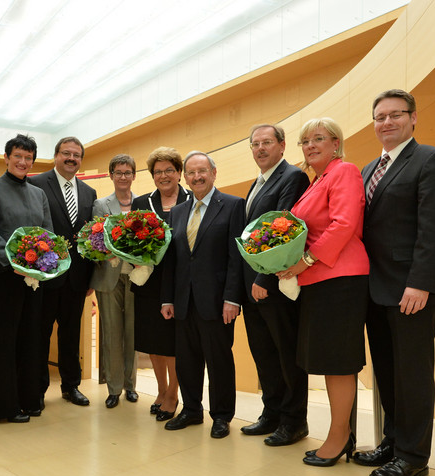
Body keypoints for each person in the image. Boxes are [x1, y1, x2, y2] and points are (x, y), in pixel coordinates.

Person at [355, 89, 435, 476]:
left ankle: (413, 456)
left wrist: (420, 284)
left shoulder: (432, 160)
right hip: (376, 290)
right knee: (387, 372)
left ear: (414, 118)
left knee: (412, 374)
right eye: (380, 117)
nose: (387, 122)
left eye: (396, 115)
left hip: (411, 292)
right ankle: (392, 442)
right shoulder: (368, 168)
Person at [277, 118, 369, 466]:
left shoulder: (344, 171)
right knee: (330, 362)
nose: (311, 145)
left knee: (339, 364)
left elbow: (344, 223)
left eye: (318, 138)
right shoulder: (317, 181)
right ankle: (338, 432)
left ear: (335, 143)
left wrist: (305, 259)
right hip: (318, 279)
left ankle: (339, 436)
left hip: (340, 277)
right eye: (305, 140)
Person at [161, 151, 245, 438]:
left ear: (213, 173)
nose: (197, 177)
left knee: (219, 360)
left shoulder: (233, 206)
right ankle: (192, 410)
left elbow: (237, 257)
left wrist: (232, 298)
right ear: (186, 177)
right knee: (187, 360)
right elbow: (172, 259)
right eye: (192, 173)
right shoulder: (179, 211)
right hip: (184, 300)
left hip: (218, 301)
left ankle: (221, 416)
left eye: (202, 171)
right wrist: (167, 298)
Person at [240, 124, 311, 446]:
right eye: (255, 144)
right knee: (263, 353)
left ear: (282, 146)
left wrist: (262, 278)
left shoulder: (292, 178)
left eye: (267, 142)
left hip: (274, 284)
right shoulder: (257, 183)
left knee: (286, 355)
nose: (260, 149)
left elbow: (283, 230)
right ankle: (271, 414)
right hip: (253, 287)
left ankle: (294, 421)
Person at [0, 134, 52, 422]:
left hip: (33, 278)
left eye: (28, 157)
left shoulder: (38, 193)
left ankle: (30, 399)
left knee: (32, 340)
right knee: (7, 343)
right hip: (4, 277)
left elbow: (47, 233)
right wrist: (15, 262)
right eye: (18, 156)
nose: (23, 162)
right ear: (6, 157)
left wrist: (42, 264)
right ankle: (7, 408)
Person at [30, 137, 97, 407]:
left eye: (77, 155)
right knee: (40, 334)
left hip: (77, 277)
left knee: (70, 335)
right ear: (56, 156)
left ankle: (71, 386)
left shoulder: (89, 192)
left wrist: (90, 275)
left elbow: (89, 236)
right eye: (66, 153)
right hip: (47, 275)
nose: (72, 158)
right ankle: (38, 389)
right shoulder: (36, 184)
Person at [132, 147, 189, 421]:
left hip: (181, 282)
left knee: (174, 343)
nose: (163, 176)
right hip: (150, 282)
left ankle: (174, 394)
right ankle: (161, 389)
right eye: (158, 172)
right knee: (154, 341)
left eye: (169, 170)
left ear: (179, 173)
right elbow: (131, 240)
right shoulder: (141, 202)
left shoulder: (193, 200)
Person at [90, 154, 138, 408]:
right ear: (111, 175)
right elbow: (95, 239)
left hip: (136, 276)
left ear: (133, 176)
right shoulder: (100, 204)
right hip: (108, 276)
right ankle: (114, 388)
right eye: (118, 172)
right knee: (111, 333)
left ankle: (131, 386)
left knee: (131, 333)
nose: (123, 177)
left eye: (127, 172)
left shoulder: (141, 203)